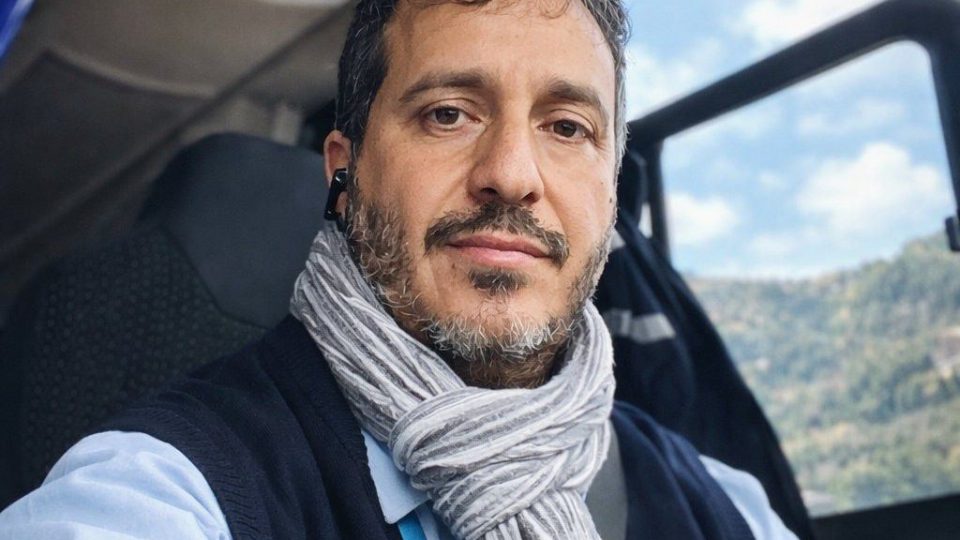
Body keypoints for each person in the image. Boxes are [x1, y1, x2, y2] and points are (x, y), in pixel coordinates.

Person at [0, 0, 799, 538]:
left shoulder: (725, 504)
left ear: (610, 192)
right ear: (345, 175)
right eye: (448, 114)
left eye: (566, 127)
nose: (512, 173)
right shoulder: (171, 485)